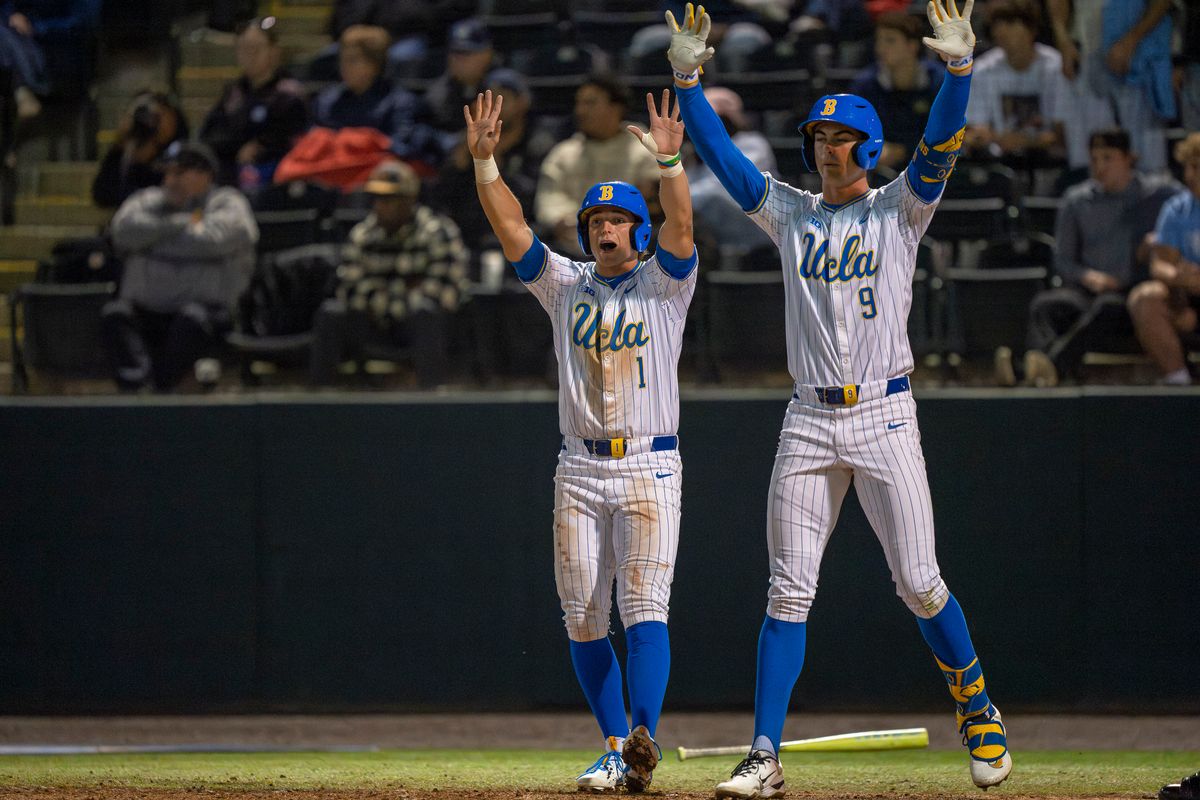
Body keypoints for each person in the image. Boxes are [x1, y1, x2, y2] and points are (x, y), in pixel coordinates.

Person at [666, 1, 1011, 796]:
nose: (826, 149)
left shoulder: (901, 207)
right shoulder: (791, 214)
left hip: (887, 413)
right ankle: (765, 755)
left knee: (920, 581)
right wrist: (688, 81)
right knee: (788, 588)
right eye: (818, 137)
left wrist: (959, 72)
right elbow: (718, 155)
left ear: (867, 146)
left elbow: (940, 146)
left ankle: (979, 708)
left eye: (840, 138)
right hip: (811, 417)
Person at [466, 87, 697, 793]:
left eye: (619, 219)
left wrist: (669, 160)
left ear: (639, 230)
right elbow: (513, 234)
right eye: (596, 218)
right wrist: (485, 165)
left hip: (650, 464)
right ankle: (612, 743)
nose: (605, 228)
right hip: (579, 465)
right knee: (581, 613)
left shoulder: (665, 283)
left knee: (645, 606)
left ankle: (643, 738)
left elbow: (683, 226)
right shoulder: (566, 285)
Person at [995, 128, 1179, 387]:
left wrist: (1160, 239)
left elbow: (1187, 206)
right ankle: (1039, 368)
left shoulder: (1156, 196)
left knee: (1108, 308)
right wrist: (1089, 277)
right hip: (1088, 292)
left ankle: (1036, 371)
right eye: (1094, 159)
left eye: (1108, 158)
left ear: (1129, 158)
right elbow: (1063, 261)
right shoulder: (1076, 201)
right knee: (1045, 305)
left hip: (1130, 296)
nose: (1099, 166)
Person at [102, 142, 258, 392]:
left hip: (203, 315)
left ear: (205, 174)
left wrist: (148, 244)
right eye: (168, 173)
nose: (170, 180)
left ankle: (166, 397)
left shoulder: (228, 202)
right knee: (116, 314)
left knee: (192, 320)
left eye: (180, 173)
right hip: (146, 313)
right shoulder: (148, 200)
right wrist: (182, 223)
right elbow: (122, 231)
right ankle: (138, 400)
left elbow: (210, 240)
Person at [308, 160, 469, 389]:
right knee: (331, 313)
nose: (380, 205)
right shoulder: (363, 234)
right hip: (375, 324)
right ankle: (320, 397)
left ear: (409, 199)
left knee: (427, 312)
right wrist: (404, 293)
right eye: (377, 198)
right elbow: (350, 288)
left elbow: (443, 293)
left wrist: (381, 298)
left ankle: (433, 398)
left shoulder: (438, 231)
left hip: (418, 326)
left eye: (389, 199)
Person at [534, 73, 660, 255]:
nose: (580, 111)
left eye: (590, 103)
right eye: (579, 103)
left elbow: (658, 197)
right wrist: (566, 221)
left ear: (616, 108)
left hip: (633, 239)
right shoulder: (564, 153)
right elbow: (549, 199)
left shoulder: (644, 148)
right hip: (574, 238)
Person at [1047, 0, 1172, 173]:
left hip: (1138, 56)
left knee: (1147, 158)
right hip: (1087, 51)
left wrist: (1131, 40)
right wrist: (1063, 40)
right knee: (1094, 153)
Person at [312, 24, 444, 173]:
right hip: (334, 173)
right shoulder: (328, 101)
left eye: (353, 60)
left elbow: (402, 148)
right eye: (342, 59)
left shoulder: (400, 103)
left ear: (374, 64)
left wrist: (364, 143)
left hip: (377, 177)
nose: (344, 66)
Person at [199, 16, 310, 190]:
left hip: (274, 179)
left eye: (255, 49)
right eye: (243, 49)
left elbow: (290, 139)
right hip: (230, 173)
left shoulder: (289, 93)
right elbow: (210, 134)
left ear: (274, 51)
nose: (249, 56)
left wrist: (260, 147)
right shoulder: (233, 92)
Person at [1127, 133, 1200, 385]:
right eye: (1188, 167)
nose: (1190, 175)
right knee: (1144, 298)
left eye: (1197, 167)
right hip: (1184, 295)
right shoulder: (1176, 209)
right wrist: (1179, 277)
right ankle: (1177, 380)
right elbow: (1160, 263)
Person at [964, 0, 1070, 165]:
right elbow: (975, 128)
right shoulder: (983, 69)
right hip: (999, 162)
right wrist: (983, 136)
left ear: (1032, 30)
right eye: (997, 25)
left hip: (1049, 162)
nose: (1002, 31)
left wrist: (1025, 141)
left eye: (1011, 23)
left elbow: (1063, 134)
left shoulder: (1055, 66)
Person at [849, 10, 945, 169]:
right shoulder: (865, 84)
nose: (881, 48)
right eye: (879, 41)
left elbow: (945, 132)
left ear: (912, 46)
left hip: (931, 166)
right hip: (881, 170)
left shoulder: (938, 80)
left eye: (890, 41)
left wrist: (904, 150)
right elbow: (854, 133)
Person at [91, 90, 188, 209]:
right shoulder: (127, 151)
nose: (149, 122)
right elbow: (102, 196)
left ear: (173, 115)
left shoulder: (184, 154)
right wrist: (119, 148)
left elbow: (171, 198)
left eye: (158, 116)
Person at [422, 17, 495, 138]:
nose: (459, 60)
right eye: (455, 52)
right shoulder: (437, 96)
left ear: (487, 54)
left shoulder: (501, 87)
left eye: (467, 53)